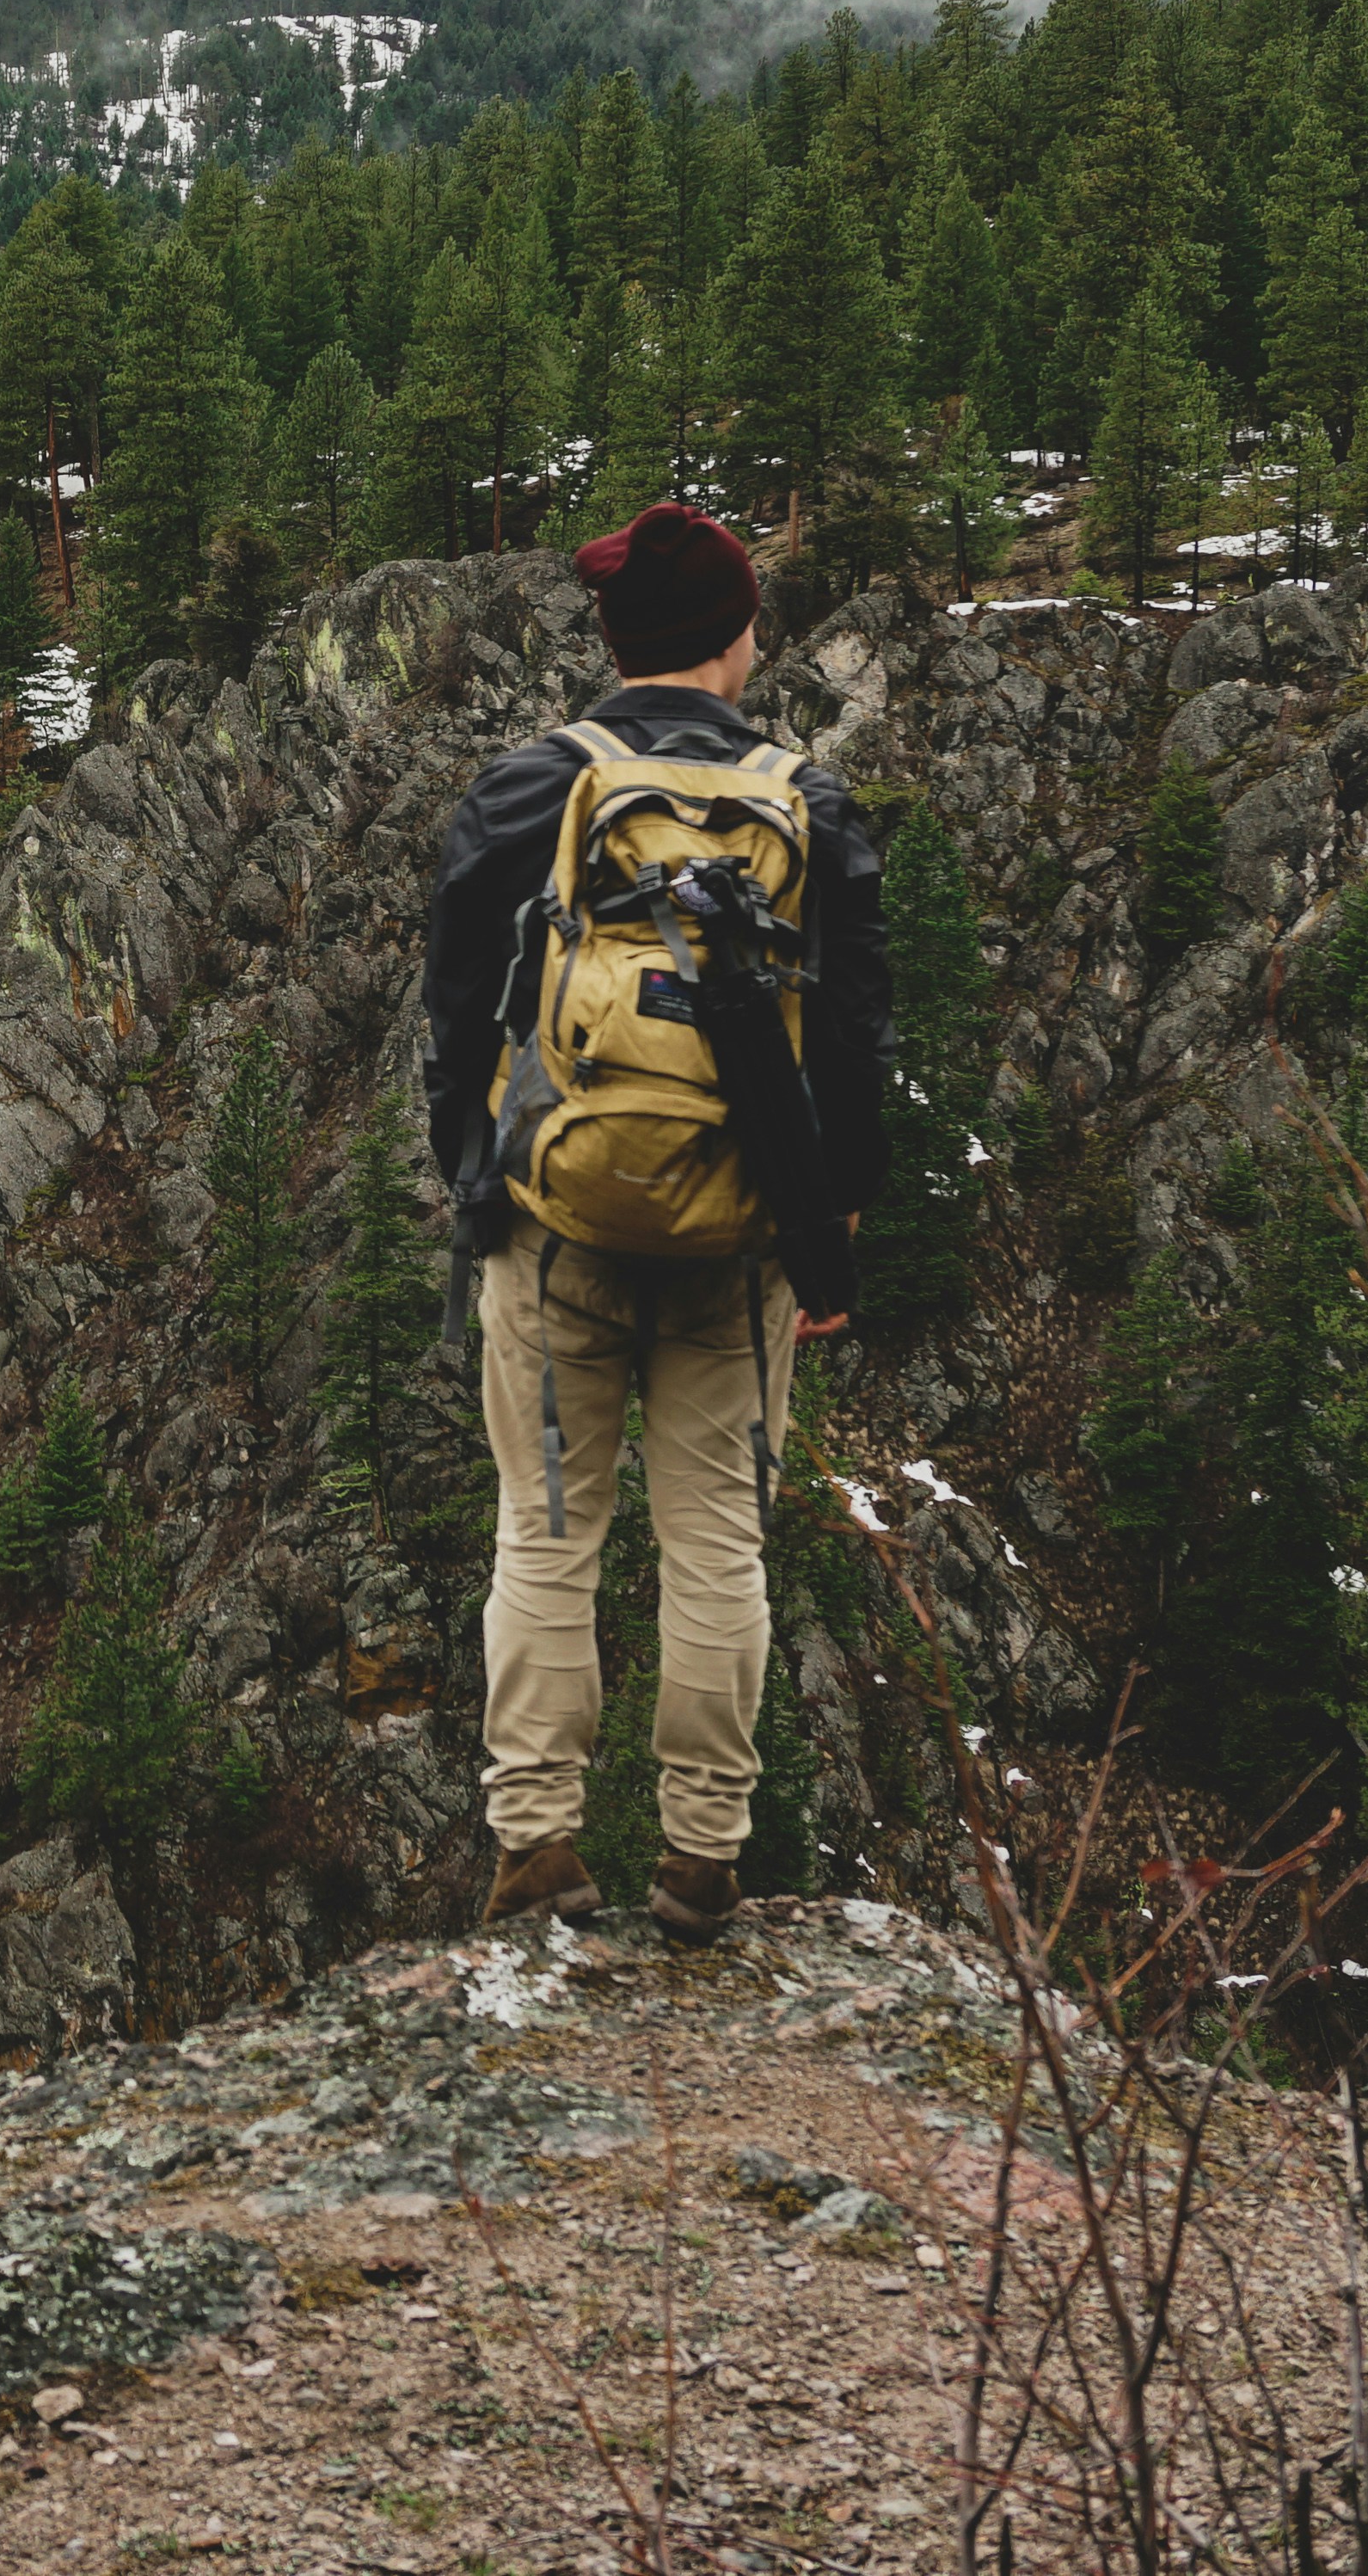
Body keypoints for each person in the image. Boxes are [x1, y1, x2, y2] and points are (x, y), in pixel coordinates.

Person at [418, 501, 891, 1940]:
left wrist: (476, 1179)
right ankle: (698, 1860)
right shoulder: (811, 808)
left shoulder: (524, 790)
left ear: (614, 641)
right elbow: (853, 1044)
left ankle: (536, 1851)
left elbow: (451, 1013)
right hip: (739, 1245)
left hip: (553, 1228)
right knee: (713, 1547)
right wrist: (830, 1231)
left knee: (549, 1537)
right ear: (739, 640)